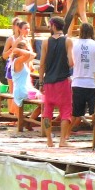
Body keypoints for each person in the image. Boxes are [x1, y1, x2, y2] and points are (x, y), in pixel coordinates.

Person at [39, 15, 74, 147]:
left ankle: (49, 140)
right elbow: (71, 62)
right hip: (63, 81)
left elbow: (42, 64)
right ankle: (62, 141)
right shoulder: (68, 41)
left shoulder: (45, 42)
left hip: (48, 82)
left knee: (47, 111)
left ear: (53, 26)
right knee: (65, 111)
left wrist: (41, 82)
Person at [70, 22, 95, 133]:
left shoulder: (74, 44)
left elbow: (70, 62)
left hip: (77, 82)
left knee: (75, 112)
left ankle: (67, 133)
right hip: (92, 83)